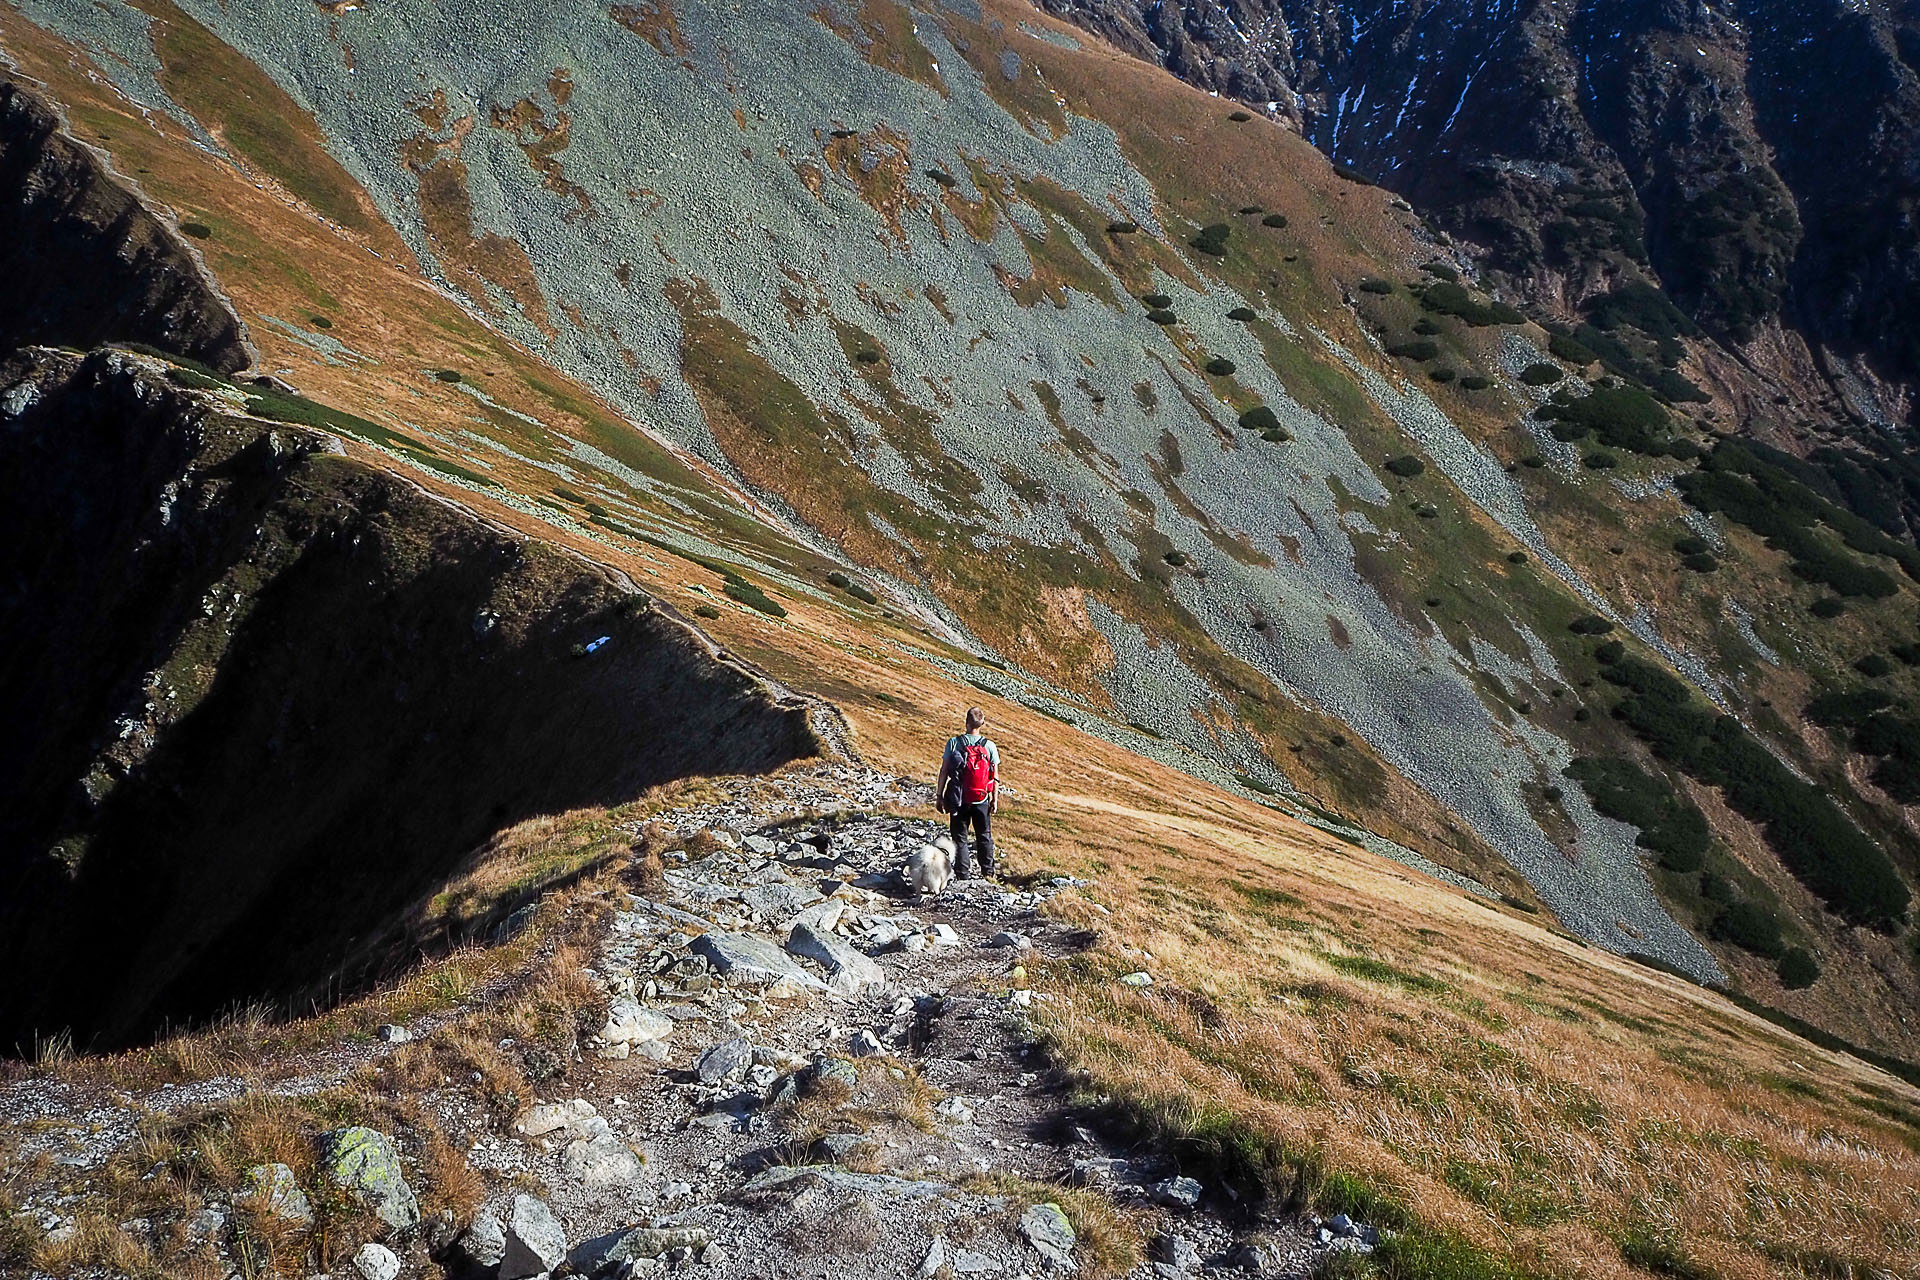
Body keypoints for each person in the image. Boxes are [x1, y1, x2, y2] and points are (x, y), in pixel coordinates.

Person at [934, 706, 1000, 880]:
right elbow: (995, 776)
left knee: (960, 838)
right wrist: (994, 799)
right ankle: (988, 873)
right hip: (982, 799)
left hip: (959, 799)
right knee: (984, 836)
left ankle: (963, 874)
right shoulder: (990, 746)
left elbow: (944, 771)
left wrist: (940, 796)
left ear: (966, 722)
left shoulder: (954, 743)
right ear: (982, 723)